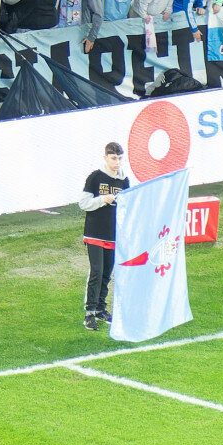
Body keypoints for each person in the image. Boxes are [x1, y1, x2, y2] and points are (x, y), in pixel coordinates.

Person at [79, 141, 131, 331]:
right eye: (113, 158)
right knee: (97, 271)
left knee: (107, 273)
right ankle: (89, 313)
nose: (117, 162)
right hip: (94, 233)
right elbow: (83, 203)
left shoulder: (124, 181)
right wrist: (103, 200)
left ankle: (101, 309)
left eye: (119, 158)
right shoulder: (95, 177)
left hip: (113, 234)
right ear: (105, 157)